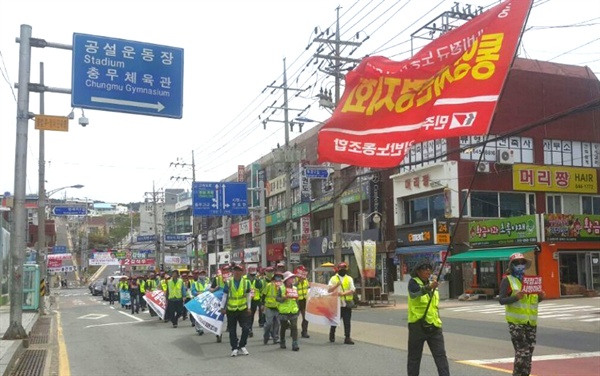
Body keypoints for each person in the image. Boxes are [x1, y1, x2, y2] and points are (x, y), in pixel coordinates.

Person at [499, 252, 545, 376]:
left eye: (522, 263)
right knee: (522, 352)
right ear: (512, 265)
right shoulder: (507, 280)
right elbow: (501, 300)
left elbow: (532, 301)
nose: (520, 265)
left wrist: (541, 297)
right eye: (517, 263)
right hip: (516, 324)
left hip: (530, 323)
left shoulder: (529, 281)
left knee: (528, 353)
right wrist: (515, 297)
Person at [406, 259, 449, 376]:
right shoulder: (413, 282)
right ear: (418, 271)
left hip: (434, 326)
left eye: (429, 268)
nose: (428, 271)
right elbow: (414, 294)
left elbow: (434, 306)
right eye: (425, 268)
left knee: (441, 356)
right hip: (417, 326)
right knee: (414, 358)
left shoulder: (432, 283)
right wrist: (429, 288)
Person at [220, 263, 251, 357]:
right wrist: (222, 307)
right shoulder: (228, 282)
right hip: (231, 309)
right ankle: (234, 348)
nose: (237, 272)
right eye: (235, 270)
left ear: (242, 272)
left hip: (242, 309)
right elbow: (225, 296)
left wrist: (249, 307)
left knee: (246, 328)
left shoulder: (246, 282)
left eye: (239, 270)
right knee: (232, 330)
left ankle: (242, 345)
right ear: (232, 272)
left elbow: (248, 296)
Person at [328, 262, 355, 345]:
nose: (342, 270)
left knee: (347, 322)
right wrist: (336, 285)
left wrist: (343, 294)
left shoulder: (349, 278)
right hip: (337, 304)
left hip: (346, 304)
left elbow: (352, 289)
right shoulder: (333, 278)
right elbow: (329, 290)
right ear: (338, 270)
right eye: (341, 269)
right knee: (335, 321)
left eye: (344, 269)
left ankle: (347, 337)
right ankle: (332, 334)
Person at [277, 271, 300, 351]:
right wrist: (284, 298)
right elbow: (277, 299)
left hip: (293, 310)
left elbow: (297, 300)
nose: (292, 280)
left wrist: (298, 308)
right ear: (286, 280)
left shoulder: (295, 288)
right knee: (283, 327)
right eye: (290, 278)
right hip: (284, 311)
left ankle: (295, 343)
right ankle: (282, 341)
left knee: (294, 326)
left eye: (292, 278)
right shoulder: (281, 288)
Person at [262, 267, 282, 345]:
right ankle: (266, 336)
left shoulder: (282, 287)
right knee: (269, 324)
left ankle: (276, 338)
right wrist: (262, 305)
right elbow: (263, 295)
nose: (278, 279)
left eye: (280, 277)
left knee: (277, 324)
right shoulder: (269, 285)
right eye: (277, 277)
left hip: (278, 308)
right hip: (269, 307)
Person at [246, 266, 263, 338]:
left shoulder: (258, 279)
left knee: (252, 315)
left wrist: (258, 280)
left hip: (255, 299)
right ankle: (247, 328)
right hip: (246, 299)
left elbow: (260, 287)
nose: (252, 276)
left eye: (254, 274)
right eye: (251, 275)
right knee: (246, 315)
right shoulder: (244, 279)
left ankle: (250, 328)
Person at [191, 269, 209, 334]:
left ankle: (203, 327)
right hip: (198, 300)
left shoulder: (208, 283)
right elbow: (193, 291)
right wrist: (198, 293)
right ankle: (199, 329)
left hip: (206, 301)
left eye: (203, 274)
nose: (202, 275)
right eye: (201, 274)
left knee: (204, 315)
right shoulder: (195, 283)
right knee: (198, 315)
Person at [295, 265, 310, 338]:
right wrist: (298, 281)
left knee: (306, 317)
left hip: (304, 300)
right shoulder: (294, 280)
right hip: (296, 301)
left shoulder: (306, 280)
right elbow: (292, 288)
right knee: (294, 317)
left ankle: (304, 331)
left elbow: (308, 288)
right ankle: (293, 331)